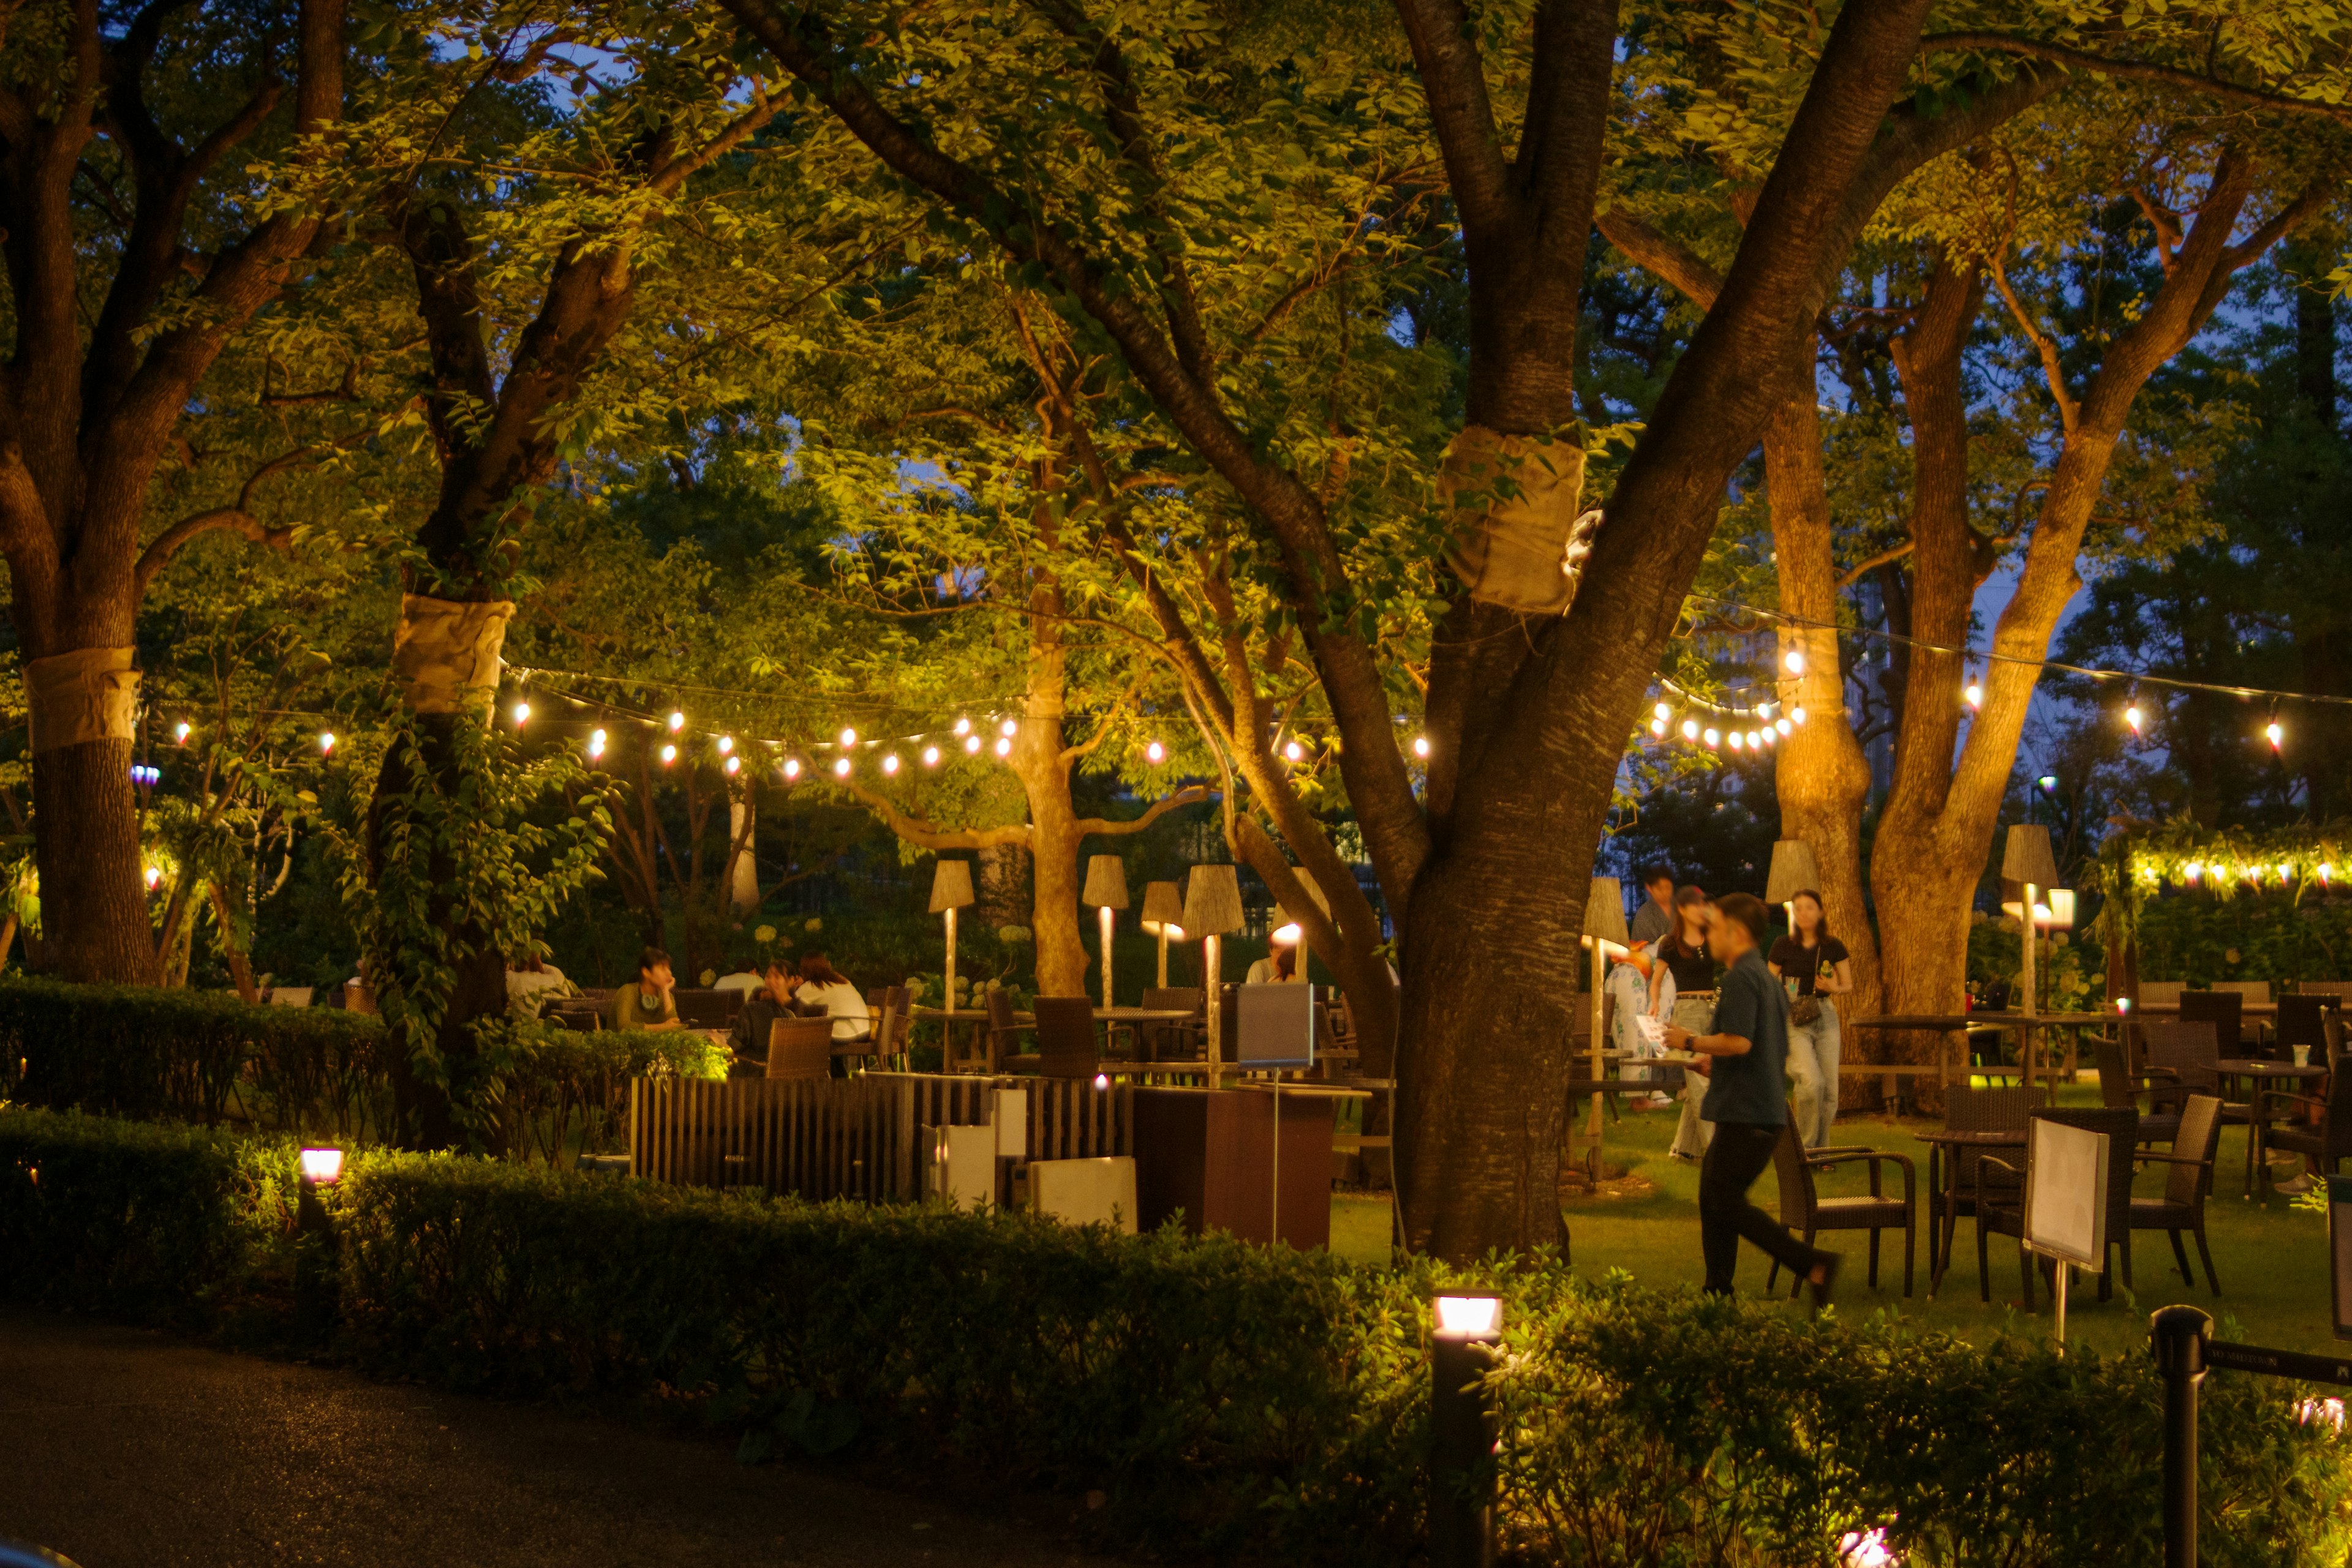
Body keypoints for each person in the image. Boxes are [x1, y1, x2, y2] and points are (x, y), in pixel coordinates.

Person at [1665, 892, 1840, 1306]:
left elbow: (1741, 1041)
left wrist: (1688, 1039)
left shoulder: (1743, 977)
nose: (1708, 935)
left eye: (1715, 927)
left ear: (1737, 932)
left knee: (1722, 1200)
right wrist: (1710, 1060)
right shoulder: (1766, 978)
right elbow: (1763, 1046)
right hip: (1757, 1106)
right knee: (1716, 1199)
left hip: (1747, 1110)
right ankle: (1717, 1291)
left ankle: (1813, 1264)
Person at [1629, 886, 1719, 1157]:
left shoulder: (1711, 938)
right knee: (1700, 1083)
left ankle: (1684, 1150)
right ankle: (1715, 1151)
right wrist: (1655, 1002)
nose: (1699, 910)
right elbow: (1656, 982)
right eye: (1694, 905)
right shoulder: (1671, 943)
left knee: (1704, 1081)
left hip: (1712, 1010)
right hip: (1687, 1011)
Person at [1770, 889, 1852, 1148]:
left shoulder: (1834, 946)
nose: (1803, 913)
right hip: (1793, 1016)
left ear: (1821, 913)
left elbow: (1847, 984)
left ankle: (1821, 1150)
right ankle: (1805, 1149)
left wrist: (1833, 988)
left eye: (1809, 907)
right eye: (1798, 908)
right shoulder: (1782, 944)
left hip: (1825, 1014)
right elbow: (1768, 981)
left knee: (1830, 1091)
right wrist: (1778, 991)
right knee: (1810, 1080)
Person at [727, 956, 805, 1074]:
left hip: (756, 1072)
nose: (771, 980)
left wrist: (720, 1043)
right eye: (768, 976)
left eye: (777, 977)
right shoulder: (796, 1008)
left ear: (791, 981)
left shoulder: (753, 1010)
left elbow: (735, 1044)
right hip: (789, 1074)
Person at [794, 954, 872, 1043]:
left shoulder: (812, 986)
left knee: (806, 1035)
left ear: (804, 971)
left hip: (844, 1035)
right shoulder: (842, 981)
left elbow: (792, 1004)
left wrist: (793, 986)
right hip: (865, 1031)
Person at [609, 947, 684, 1031]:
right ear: (646, 972)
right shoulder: (628, 991)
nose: (669, 973)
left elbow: (674, 1027)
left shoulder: (667, 996)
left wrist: (665, 991)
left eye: (669, 969)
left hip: (652, 1044)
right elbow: (624, 1027)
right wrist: (663, 1027)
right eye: (663, 969)